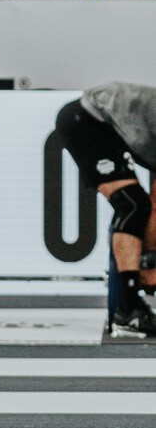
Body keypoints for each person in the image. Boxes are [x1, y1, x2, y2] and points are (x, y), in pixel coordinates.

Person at [55, 84, 156, 337]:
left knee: (136, 206)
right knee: (132, 205)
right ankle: (127, 310)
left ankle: (127, 304)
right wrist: (149, 264)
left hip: (103, 123)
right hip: (85, 118)